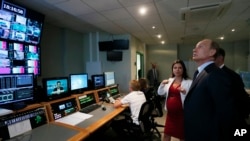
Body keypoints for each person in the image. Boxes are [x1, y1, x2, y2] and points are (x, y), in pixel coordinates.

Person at [184, 39, 247, 141]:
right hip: (197, 132)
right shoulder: (199, 73)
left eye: (200, 46)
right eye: (195, 47)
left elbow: (226, 112)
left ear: (212, 52)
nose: (194, 49)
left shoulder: (216, 74)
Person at [214, 47, 250, 132]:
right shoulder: (211, 74)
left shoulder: (232, 76)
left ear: (220, 57)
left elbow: (241, 98)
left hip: (231, 120)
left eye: (213, 57)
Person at [157, 59, 192, 141]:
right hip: (170, 114)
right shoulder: (169, 81)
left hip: (182, 114)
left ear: (183, 69)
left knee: (182, 136)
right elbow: (160, 93)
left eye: (180, 68)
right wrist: (162, 84)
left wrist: (184, 92)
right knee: (166, 135)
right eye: (175, 68)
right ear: (172, 70)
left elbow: (192, 97)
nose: (177, 70)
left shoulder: (189, 82)